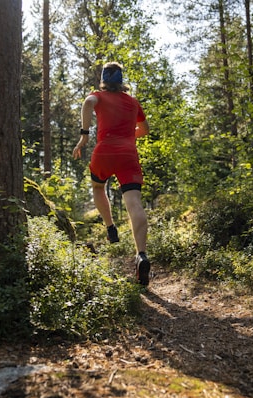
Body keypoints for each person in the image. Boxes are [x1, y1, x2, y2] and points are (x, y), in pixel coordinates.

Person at [72, 62, 151, 286]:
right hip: (128, 154)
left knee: (98, 187)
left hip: (104, 151)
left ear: (104, 80)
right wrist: (127, 137)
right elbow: (145, 130)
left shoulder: (98, 96)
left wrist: (84, 135)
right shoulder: (133, 102)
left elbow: (88, 102)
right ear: (121, 80)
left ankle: (110, 227)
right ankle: (142, 255)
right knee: (134, 203)